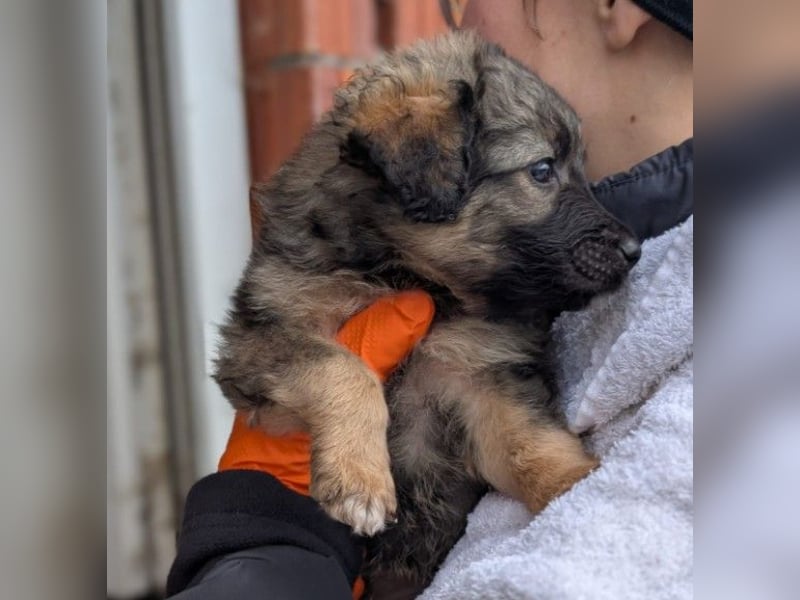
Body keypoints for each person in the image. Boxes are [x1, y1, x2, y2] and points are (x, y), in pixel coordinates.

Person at [166, 1, 694, 598]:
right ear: (421, 175)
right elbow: (256, 352)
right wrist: (272, 517)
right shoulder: (325, 253)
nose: (462, 16)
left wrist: (571, 489)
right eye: (544, 173)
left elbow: (501, 418)